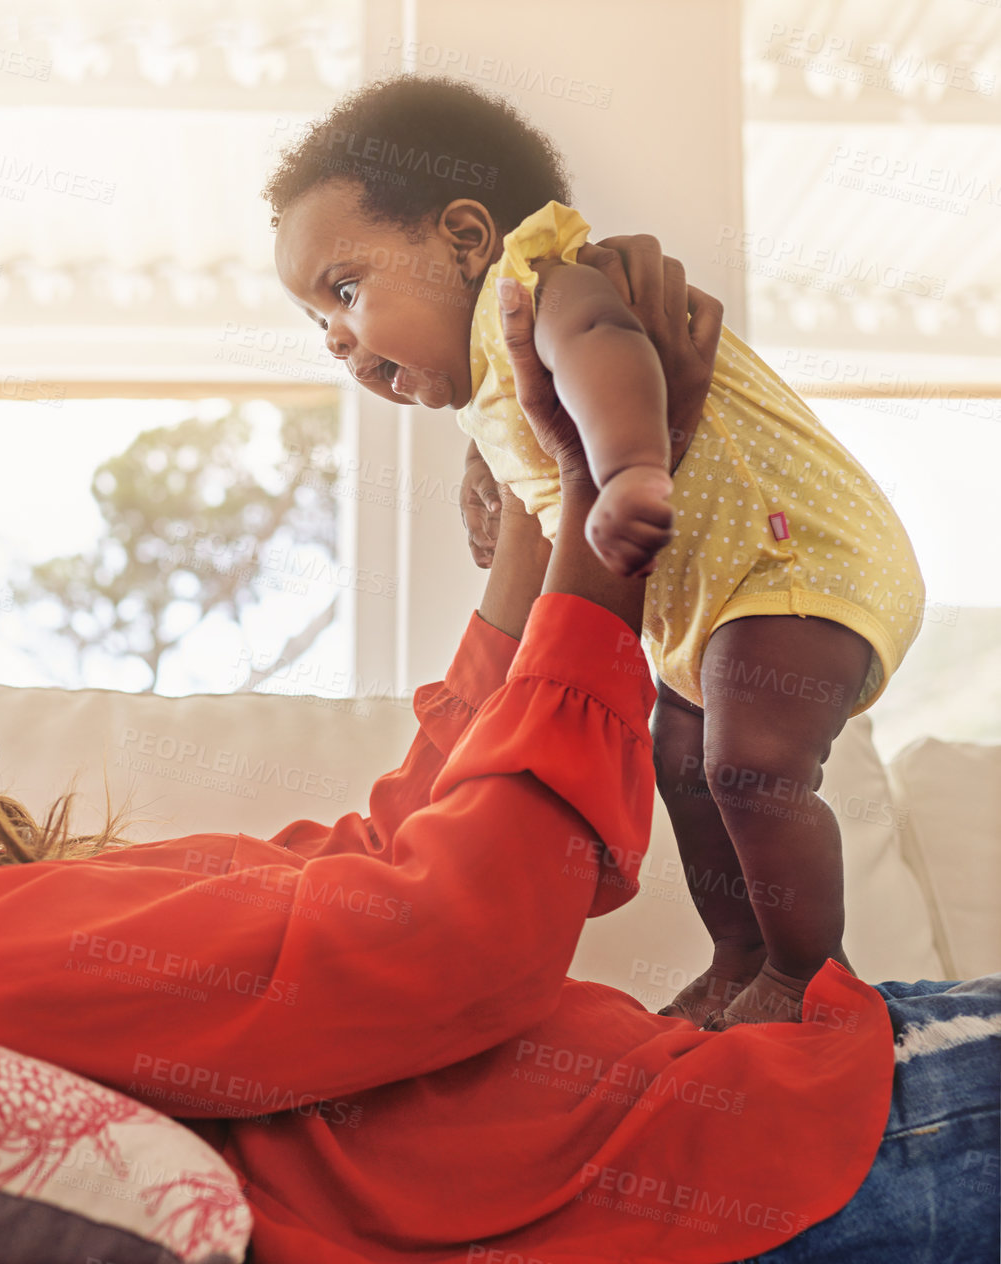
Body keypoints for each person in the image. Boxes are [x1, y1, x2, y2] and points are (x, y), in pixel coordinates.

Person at [0, 246, 996, 1264]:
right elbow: (449, 936)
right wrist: (609, 563)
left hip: (796, 1111)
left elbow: (364, 878)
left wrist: (537, 555)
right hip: (801, 1156)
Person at [264, 73, 928, 1031]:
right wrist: (483, 459)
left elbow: (607, 349)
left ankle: (807, 972)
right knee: (686, 770)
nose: (334, 337)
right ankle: (737, 956)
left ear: (465, 238)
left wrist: (625, 474)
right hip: (717, 603)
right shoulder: (497, 367)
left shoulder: (549, 286)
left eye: (347, 289)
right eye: (318, 320)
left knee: (750, 769)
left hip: (794, 560)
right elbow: (533, 425)